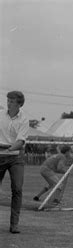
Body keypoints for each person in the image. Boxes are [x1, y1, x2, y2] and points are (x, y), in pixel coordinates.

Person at [0, 91, 29, 234]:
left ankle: (14, 225)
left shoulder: (24, 119)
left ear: (19, 104)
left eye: (12, 101)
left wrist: (9, 149)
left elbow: (20, 141)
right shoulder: (0, 115)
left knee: (17, 189)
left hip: (16, 156)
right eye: (8, 100)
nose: (8, 103)